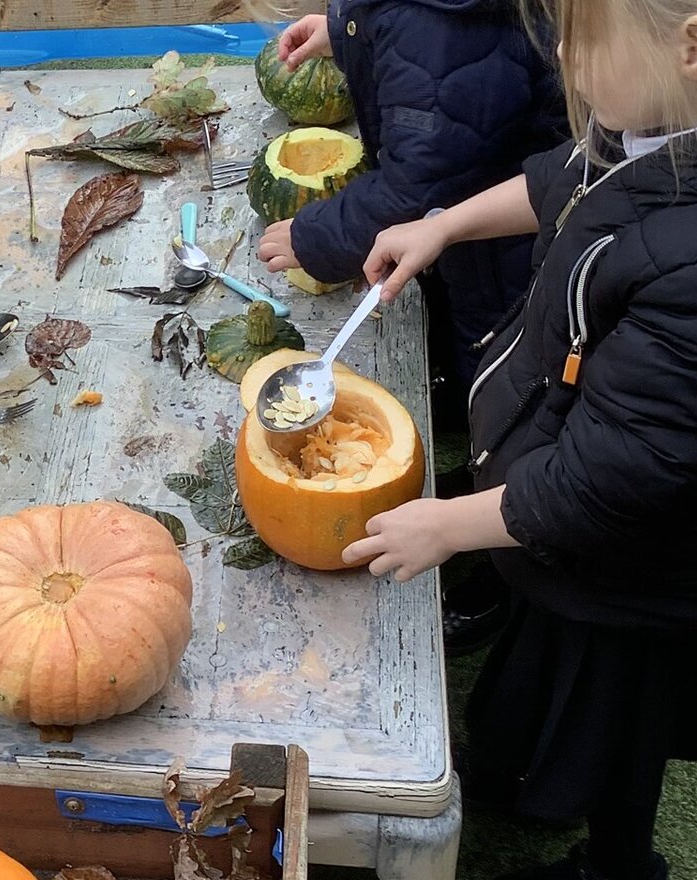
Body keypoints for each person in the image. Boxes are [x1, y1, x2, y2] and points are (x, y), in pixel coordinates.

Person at [345, 1, 697, 877]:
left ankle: (620, 861)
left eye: (581, 38)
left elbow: (609, 481)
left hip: (634, 580)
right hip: (552, 533)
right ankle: (517, 769)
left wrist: (446, 525)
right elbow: (560, 177)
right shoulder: (658, 128)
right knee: (536, 661)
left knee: (616, 737)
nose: (560, 54)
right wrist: (446, 225)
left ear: (696, 47)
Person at [253, 0, 569, 655]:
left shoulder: (447, 26)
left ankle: (496, 576)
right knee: (475, 361)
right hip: (473, 228)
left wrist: (318, 236)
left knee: (515, 402)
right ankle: (461, 413)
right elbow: (418, 61)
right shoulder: (427, 16)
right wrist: (348, 35)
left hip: (515, 253)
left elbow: (421, 177)